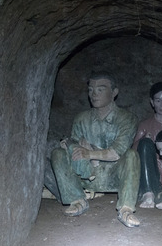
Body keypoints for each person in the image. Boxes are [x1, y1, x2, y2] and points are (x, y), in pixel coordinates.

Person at [46, 74, 141, 228]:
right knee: (58, 153)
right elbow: (75, 146)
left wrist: (90, 153)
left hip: (113, 174)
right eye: (90, 90)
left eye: (100, 89)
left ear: (114, 92)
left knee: (132, 155)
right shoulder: (81, 118)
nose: (94, 94)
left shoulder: (127, 118)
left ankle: (126, 208)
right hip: (86, 174)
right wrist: (70, 145)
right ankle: (77, 200)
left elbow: (118, 152)